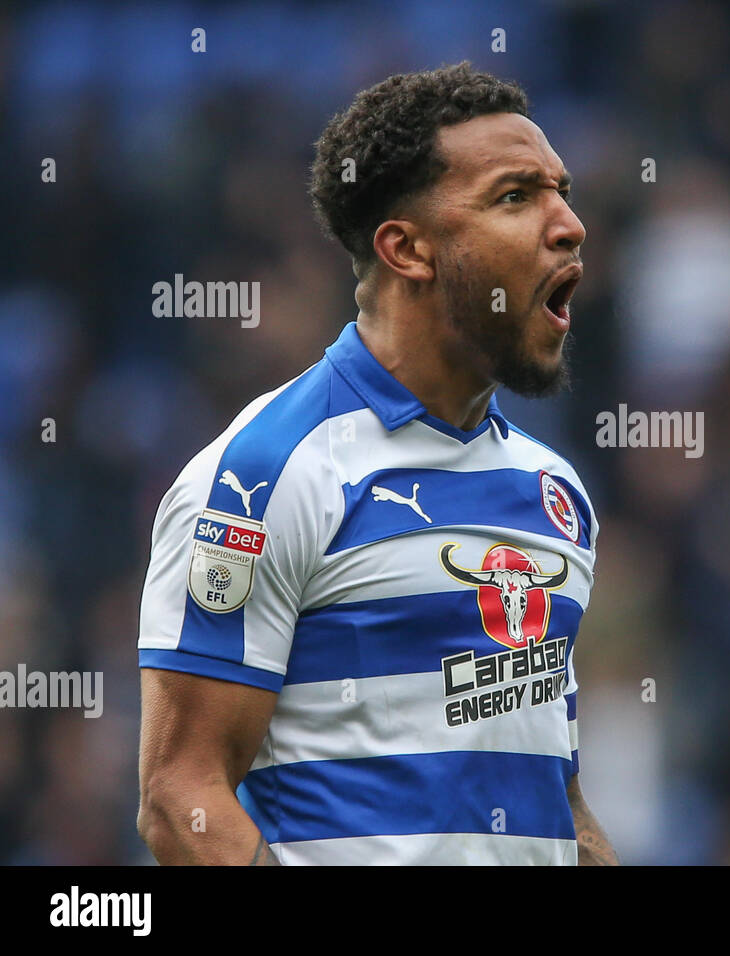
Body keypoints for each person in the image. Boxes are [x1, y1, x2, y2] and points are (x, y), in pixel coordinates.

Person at [136, 62, 618, 865]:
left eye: (561, 192)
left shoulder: (555, 492)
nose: (569, 224)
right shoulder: (266, 476)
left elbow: (558, 799)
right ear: (407, 249)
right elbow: (179, 797)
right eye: (515, 196)